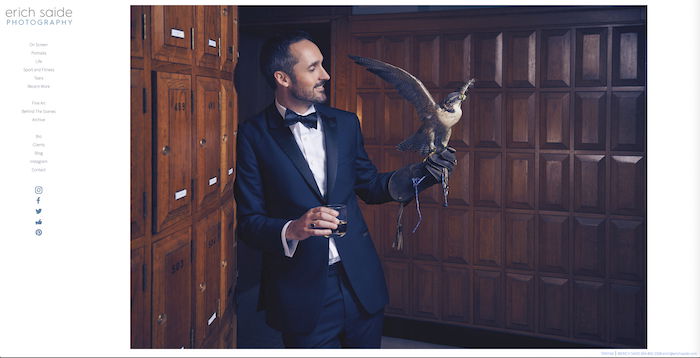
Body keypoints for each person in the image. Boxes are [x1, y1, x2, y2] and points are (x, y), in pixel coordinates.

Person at [234, 31, 456, 348]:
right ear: (282, 77)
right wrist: (293, 229)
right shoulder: (252, 135)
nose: (325, 75)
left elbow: (370, 186)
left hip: (360, 282)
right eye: (313, 68)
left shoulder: (347, 123)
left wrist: (423, 174)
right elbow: (249, 222)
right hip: (300, 291)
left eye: (322, 65)